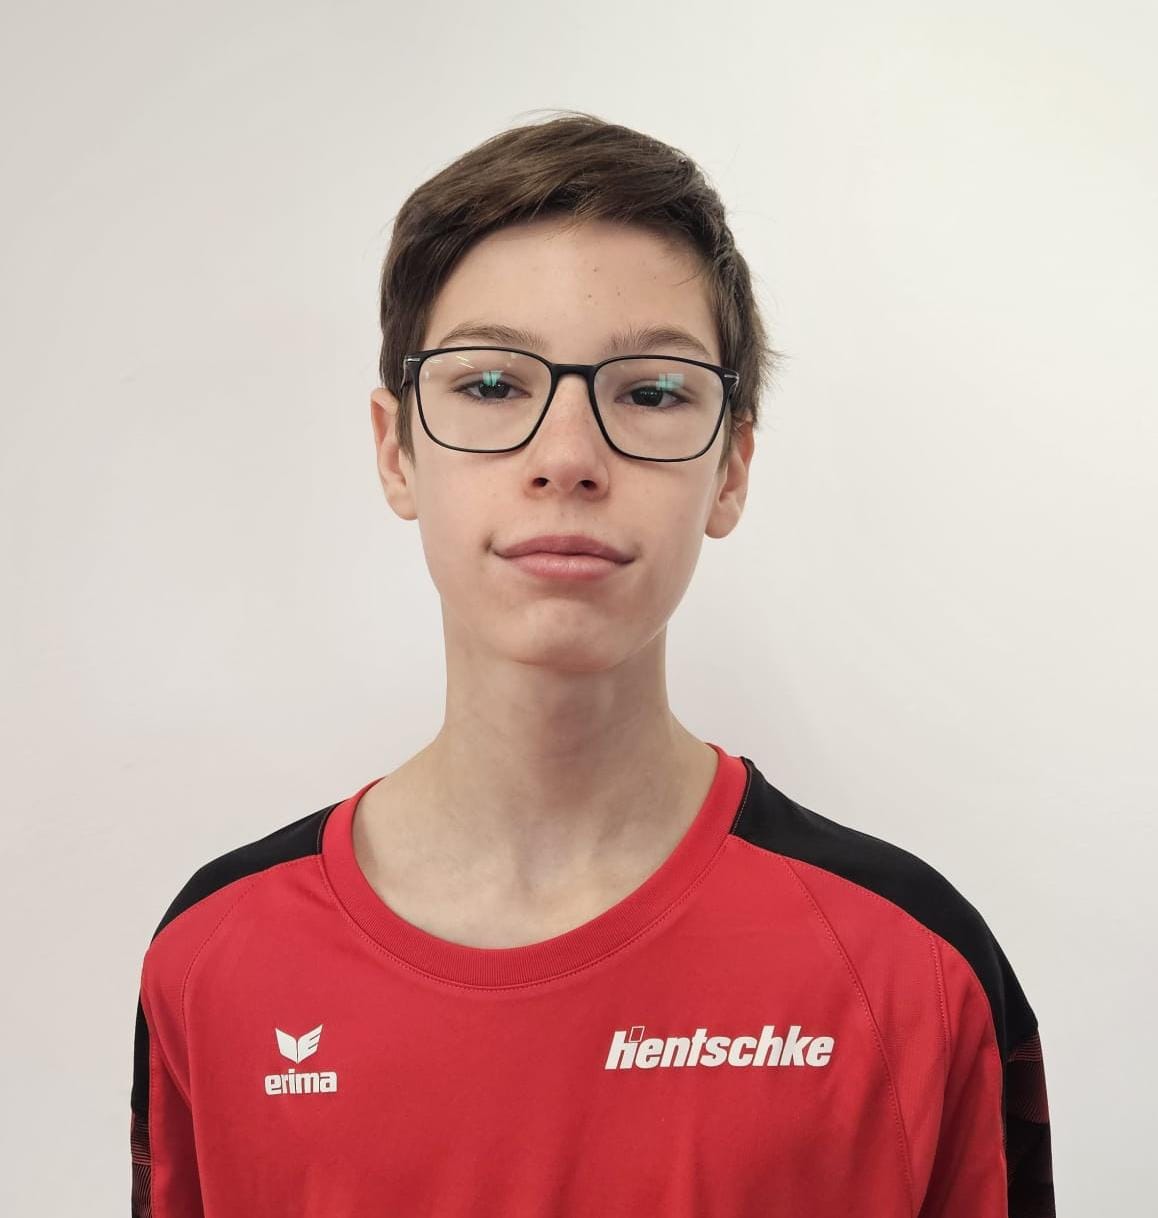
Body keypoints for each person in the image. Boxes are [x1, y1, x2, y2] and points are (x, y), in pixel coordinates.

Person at [129, 110, 1054, 1217]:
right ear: (396, 450)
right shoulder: (214, 959)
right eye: (491, 386)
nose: (567, 458)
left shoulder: (918, 967)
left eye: (651, 393)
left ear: (730, 470)